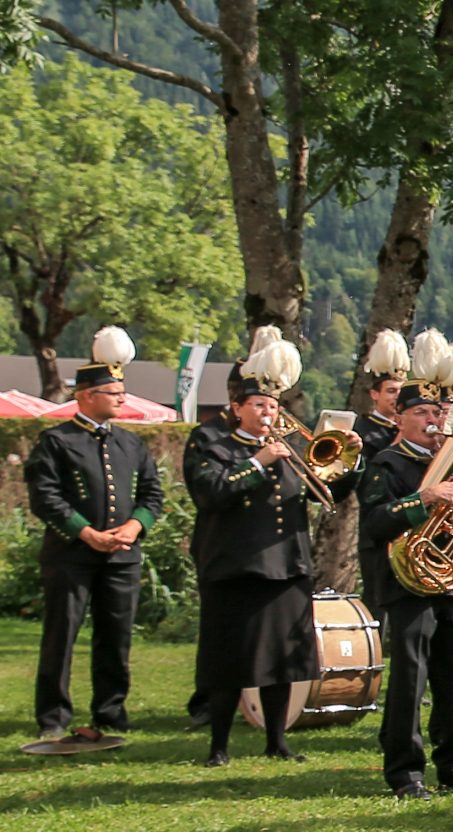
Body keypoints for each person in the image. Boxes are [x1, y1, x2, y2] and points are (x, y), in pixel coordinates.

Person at [360, 335, 453, 798]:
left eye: (437, 414)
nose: (432, 421)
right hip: (409, 581)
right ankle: (405, 770)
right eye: (421, 412)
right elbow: (376, 521)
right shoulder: (386, 463)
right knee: (410, 678)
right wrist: (424, 498)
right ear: (400, 417)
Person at [23, 326, 164, 744]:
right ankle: (53, 714)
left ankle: (111, 710)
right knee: (61, 636)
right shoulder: (56, 441)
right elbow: (45, 497)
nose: (121, 398)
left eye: (121, 392)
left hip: (122, 556)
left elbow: (153, 494)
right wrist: (85, 533)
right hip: (71, 555)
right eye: (113, 393)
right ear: (85, 396)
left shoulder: (132, 444)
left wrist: (135, 526)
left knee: (116, 637)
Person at [185, 331, 317, 765]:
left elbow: (318, 492)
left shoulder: (286, 449)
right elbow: (211, 492)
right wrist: (258, 463)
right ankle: (218, 746)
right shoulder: (212, 443)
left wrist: (344, 466)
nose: (267, 412)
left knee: (282, 661)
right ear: (237, 408)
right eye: (258, 405)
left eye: (274, 406)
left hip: (287, 565)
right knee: (229, 661)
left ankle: (277, 740)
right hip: (235, 566)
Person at [354, 330, 410, 463]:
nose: (398, 396)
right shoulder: (363, 431)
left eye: (400, 391)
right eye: (391, 391)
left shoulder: (410, 427)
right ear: (375, 394)